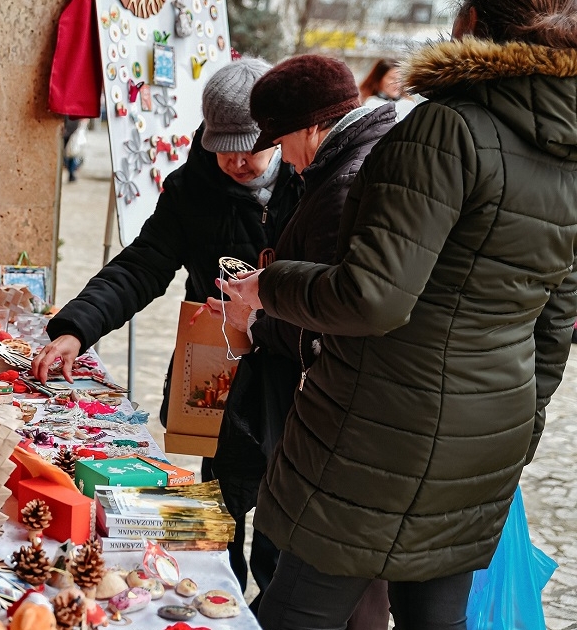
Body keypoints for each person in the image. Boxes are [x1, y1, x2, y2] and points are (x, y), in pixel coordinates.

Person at [222, 0, 577, 626]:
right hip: (488, 436)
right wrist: (520, 423)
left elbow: (372, 296)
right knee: (434, 618)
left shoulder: (447, 127)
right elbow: (555, 322)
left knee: (298, 611)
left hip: (381, 435)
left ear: (473, 23)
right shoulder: (565, 145)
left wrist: (270, 285)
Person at [33, 58, 302, 601]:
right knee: (220, 512)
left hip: (299, 378)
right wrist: (77, 330)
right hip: (221, 377)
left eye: (250, 146)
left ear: (275, 137)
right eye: (223, 146)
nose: (236, 161)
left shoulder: (312, 182)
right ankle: (215, 603)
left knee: (287, 528)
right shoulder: (192, 188)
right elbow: (142, 266)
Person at [207, 54, 395, 624]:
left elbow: (335, 316)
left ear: (312, 127)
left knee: (302, 593)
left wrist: (257, 316)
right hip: (315, 412)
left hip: (329, 418)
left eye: (278, 139)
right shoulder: (349, 166)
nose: (279, 154)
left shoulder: (341, 184)